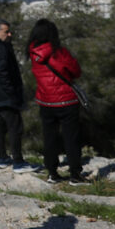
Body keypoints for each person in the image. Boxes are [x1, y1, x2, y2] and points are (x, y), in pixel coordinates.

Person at [26, 19, 89, 186]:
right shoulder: (59, 53)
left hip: (45, 101)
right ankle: (75, 174)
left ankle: (52, 173)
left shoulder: (33, 52)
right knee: (71, 138)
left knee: (50, 138)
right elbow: (75, 71)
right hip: (66, 101)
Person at [0, 19, 38, 173]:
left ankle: (3, 158)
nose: (10, 34)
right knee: (15, 127)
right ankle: (18, 162)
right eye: (6, 31)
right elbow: (2, 73)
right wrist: (11, 92)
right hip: (4, 96)